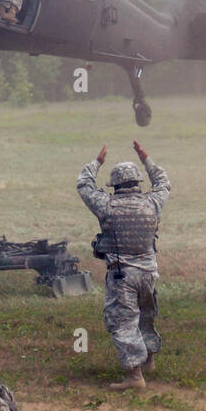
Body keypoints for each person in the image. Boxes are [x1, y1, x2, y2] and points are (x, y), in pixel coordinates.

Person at [77, 141, 171, 390]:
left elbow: (83, 185)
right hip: (149, 273)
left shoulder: (107, 206)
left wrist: (96, 163)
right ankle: (149, 360)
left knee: (123, 322)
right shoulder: (152, 204)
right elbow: (163, 183)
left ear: (115, 185)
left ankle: (134, 376)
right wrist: (146, 158)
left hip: (123, 275)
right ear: (138, 182)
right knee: (146, 316)